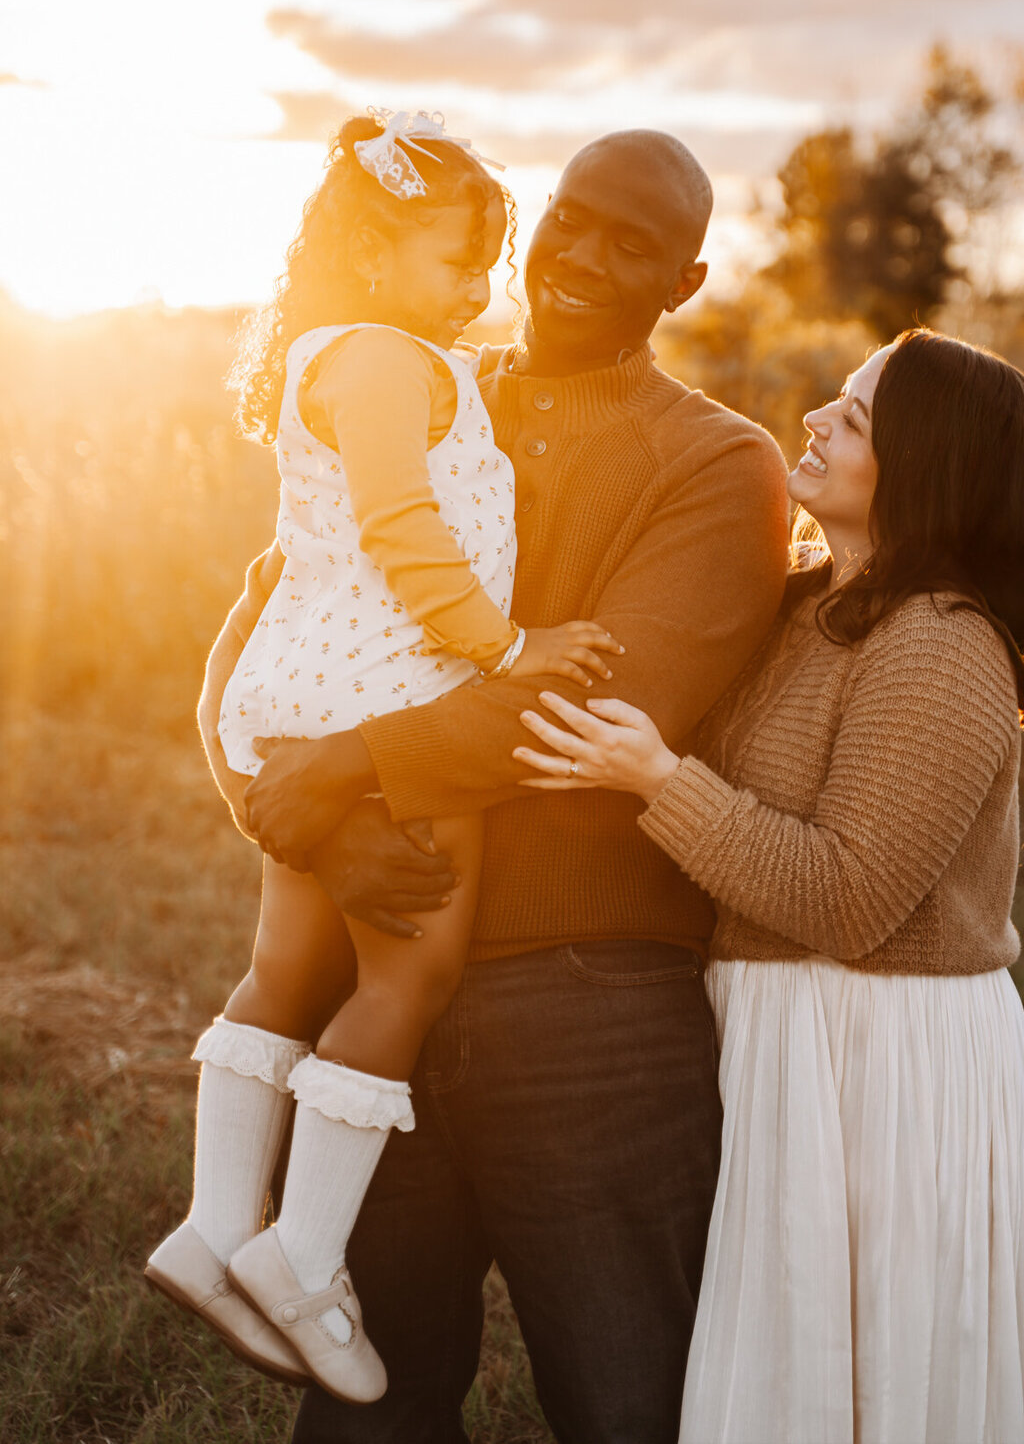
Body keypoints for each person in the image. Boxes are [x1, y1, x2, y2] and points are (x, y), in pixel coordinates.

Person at [196, 128, 792, 1442]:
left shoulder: (717, 462)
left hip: (590, 1009)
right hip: (380, 963)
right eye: (570, 218)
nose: (580, 254)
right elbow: (271, 626)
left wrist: (342, 773)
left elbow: (601, 710)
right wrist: (293, 826)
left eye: (631, 242)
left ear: (685, 282)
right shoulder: (405, 383)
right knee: (365, 1412)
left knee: (631, 1403)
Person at [513, 329, 1024, 1444]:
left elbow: (849, 897)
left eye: (858, 415)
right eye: (835, 398)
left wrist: (656, 778)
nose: (817, 421)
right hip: (783, 1036)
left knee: (870, 1371)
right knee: (790, 1365)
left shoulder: (941, 643)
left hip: (883, 1061)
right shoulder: (803, 606)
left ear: (927, 466)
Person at [146, 109, 622, 1405]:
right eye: (452, 263)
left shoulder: (346, 351)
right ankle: (300, 1254)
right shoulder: (380, 362)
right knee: (414, 975)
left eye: (484, 263)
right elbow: (405, 529)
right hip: (387, 685)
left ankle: (213, 1222)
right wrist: (506, 642)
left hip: (303, 686)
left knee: (290, 965)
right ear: (370, 254)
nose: (476, 289)